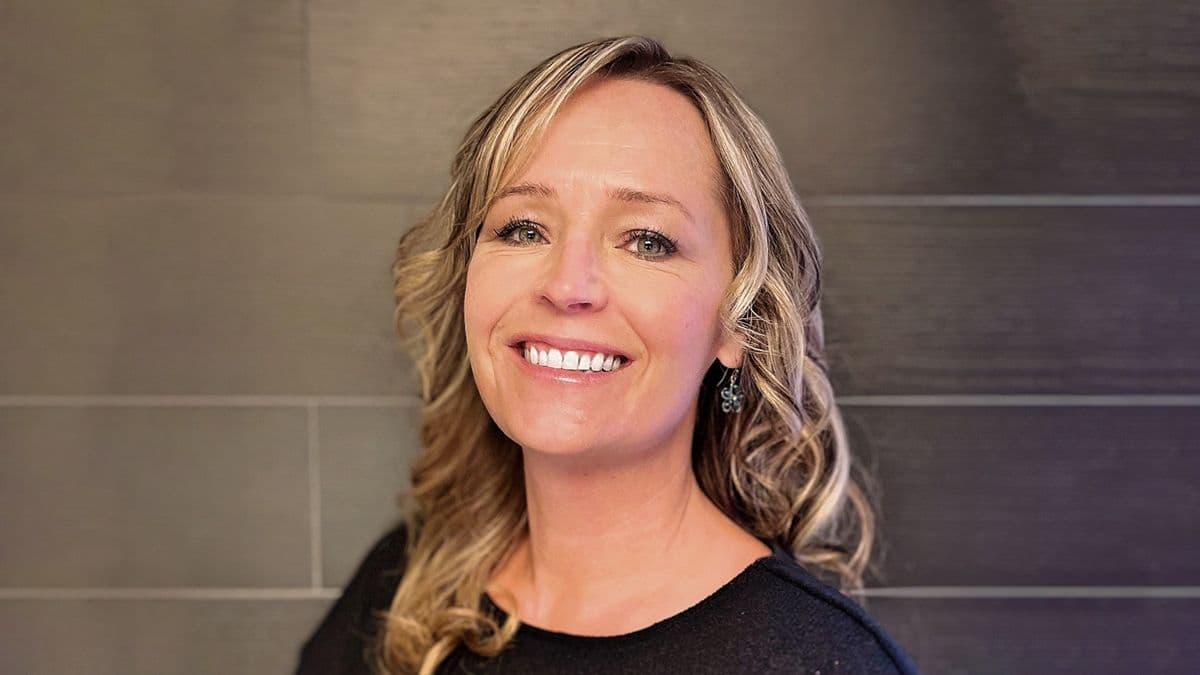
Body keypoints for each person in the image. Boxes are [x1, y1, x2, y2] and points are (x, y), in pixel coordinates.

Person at [297, 35, 919, 675]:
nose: (568, 286)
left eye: (647, 241)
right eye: (523, 227)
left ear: (740, 322)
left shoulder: (818, 659)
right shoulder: (398, 586)